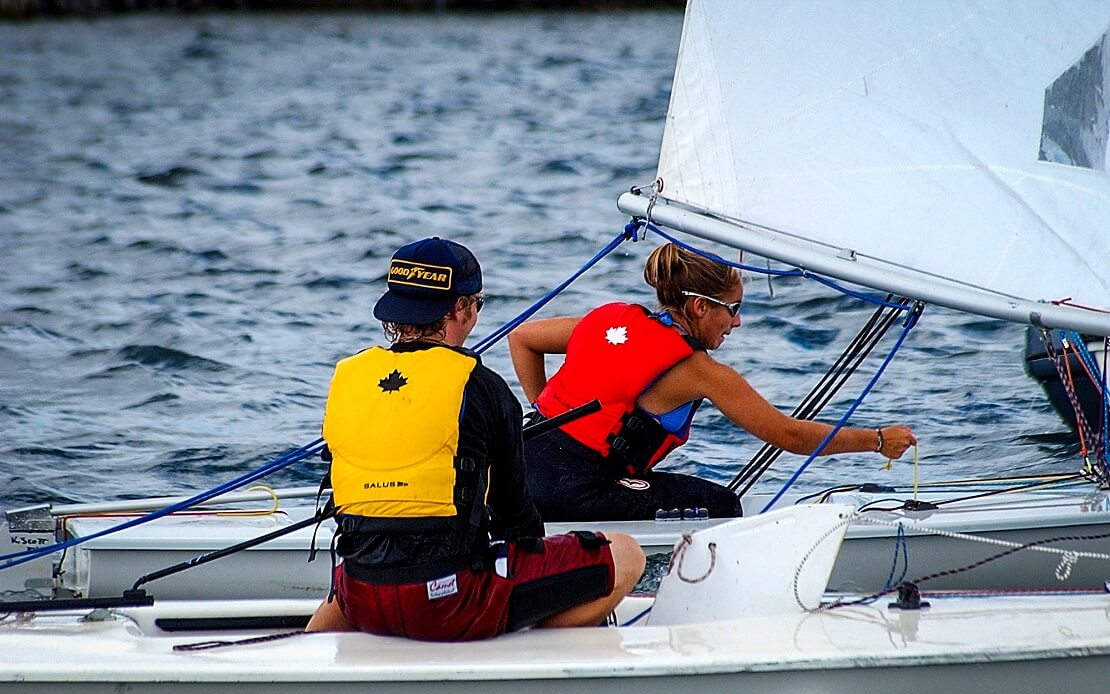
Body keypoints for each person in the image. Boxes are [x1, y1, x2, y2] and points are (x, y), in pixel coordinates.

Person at [305, 237, 645, 641]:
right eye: (477, 303)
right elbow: (516, 518)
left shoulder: (347, 377)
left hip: (357, 596)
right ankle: (530, 651)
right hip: (448, 605)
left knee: (372, 568)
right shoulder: (484, 387)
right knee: (626, 553)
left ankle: (304, 648)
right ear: (459, 309)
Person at [508, 242, 917, 522]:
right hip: (571, 491)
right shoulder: (699, 371)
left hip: (513, 471)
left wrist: (546, 412)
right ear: (700, 307)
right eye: (733, 309)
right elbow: (790, 436)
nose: (737, 321)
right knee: (721, 504)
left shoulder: (607, 318)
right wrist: (878, 440)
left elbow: (522, 337)